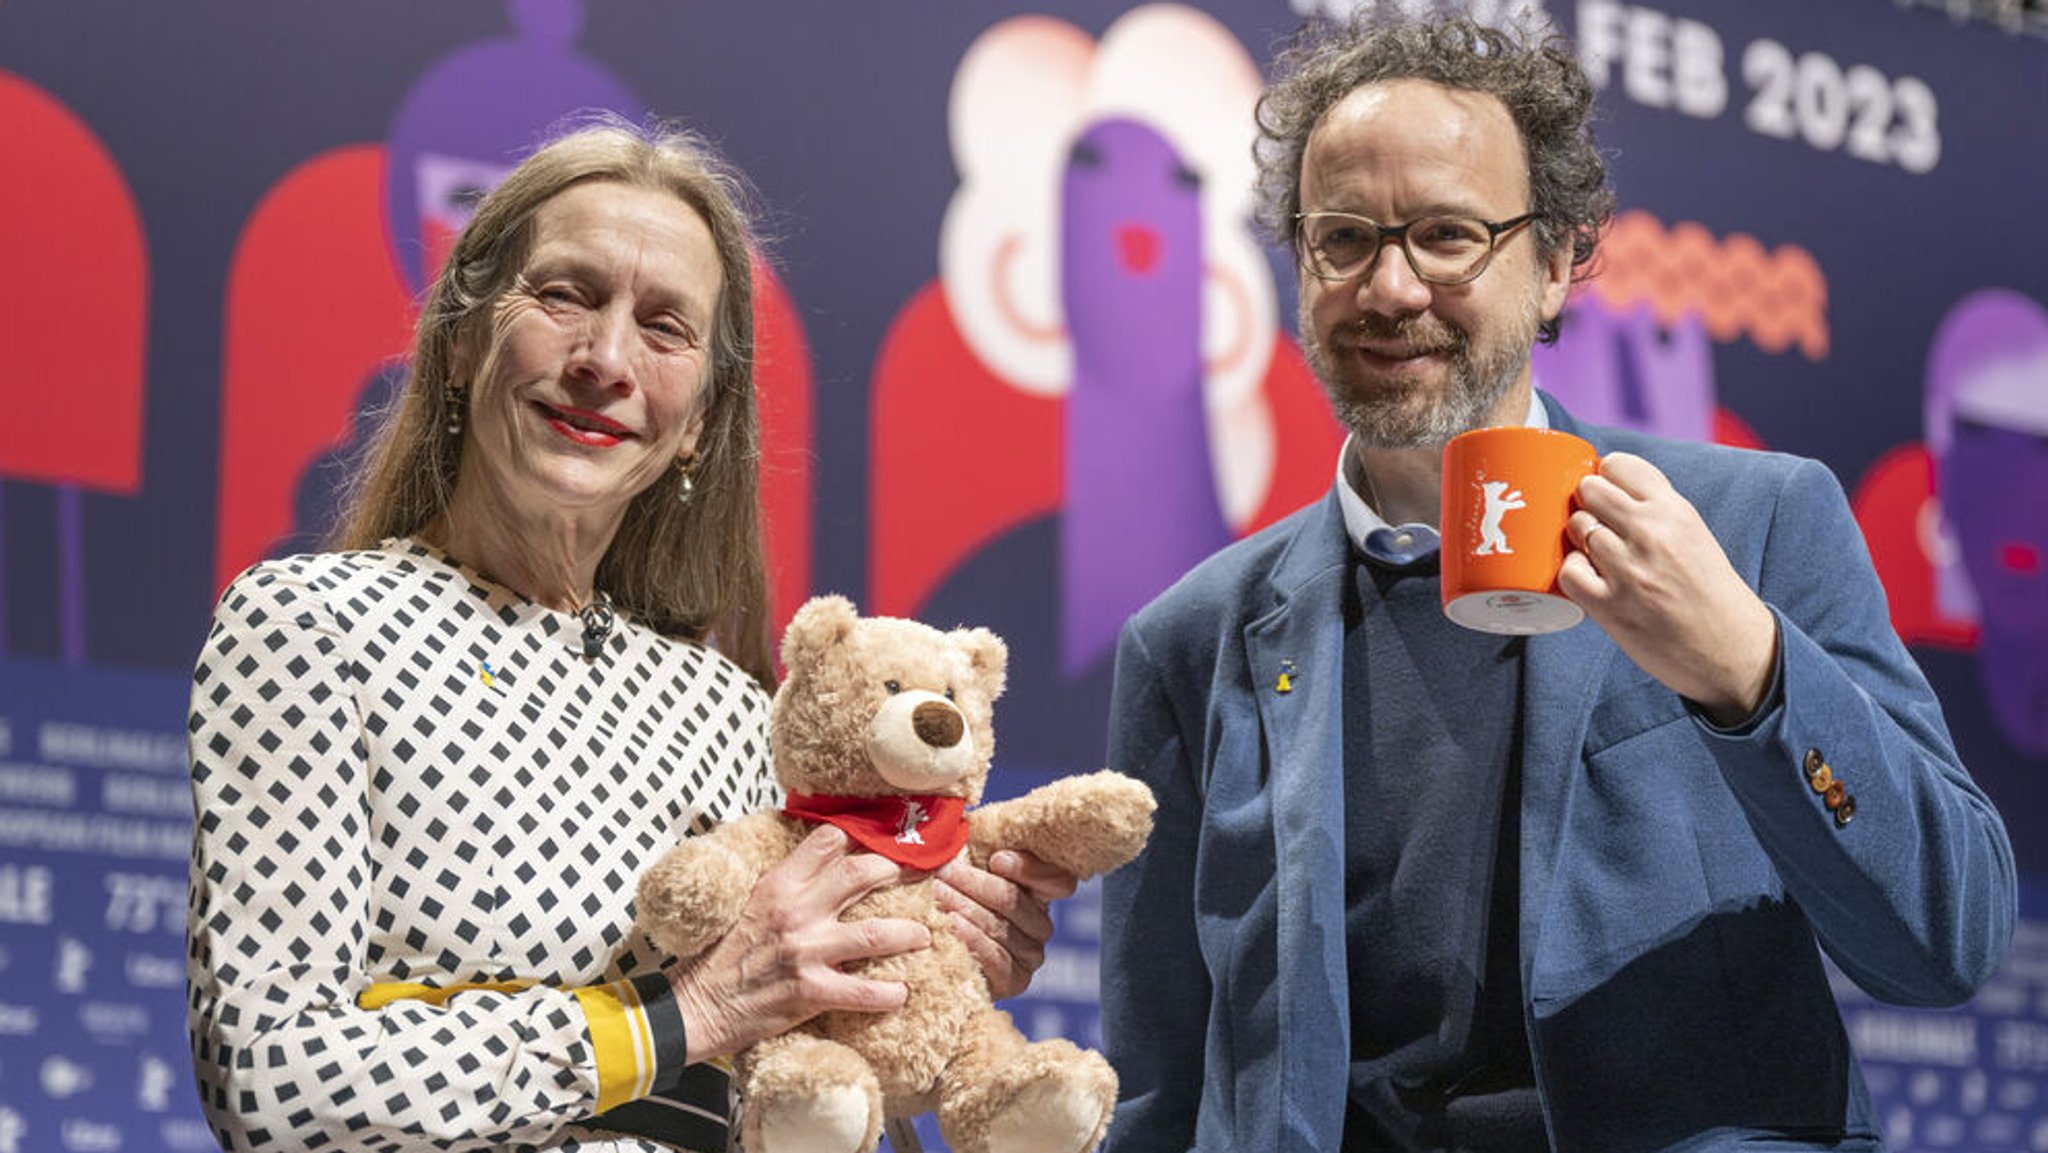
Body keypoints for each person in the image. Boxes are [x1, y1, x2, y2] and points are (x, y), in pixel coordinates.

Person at [1097, 13, 2015, 1153]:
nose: (1388, 287)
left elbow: (1942, 940)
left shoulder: (1751, 523)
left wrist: (1746, 668)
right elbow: (1157, 1086)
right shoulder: (1190, 640)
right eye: (1342, 239)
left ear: (1554, 264)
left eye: (1445, 235)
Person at [187, 117, 1073, 1153]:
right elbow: (269, 1075)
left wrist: (930, 955)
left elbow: (808, 1091)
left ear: (697, 417)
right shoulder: (313, 625)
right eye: (565, 294)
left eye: (663, 327)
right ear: (464, 343)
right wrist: (677, 1017)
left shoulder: (738, 711)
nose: (605, 358)